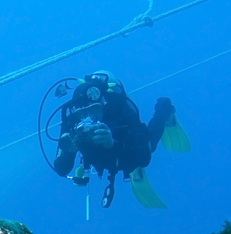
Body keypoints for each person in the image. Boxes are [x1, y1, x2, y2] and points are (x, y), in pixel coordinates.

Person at [53, 70, 185, 208]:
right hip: (102, 161)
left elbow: (144, 157)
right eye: (81, 112)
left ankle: (163, 110)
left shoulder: (119, 109)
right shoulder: (72, 122)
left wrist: (112, 144)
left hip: (129, 149)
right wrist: (69, 151)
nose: (87, 119)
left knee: (150, 145)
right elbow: (61, 169)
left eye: (93, 110)